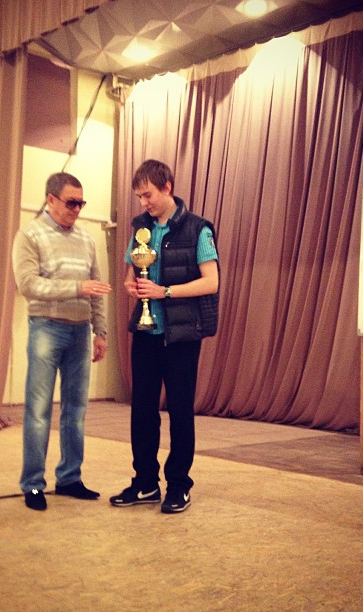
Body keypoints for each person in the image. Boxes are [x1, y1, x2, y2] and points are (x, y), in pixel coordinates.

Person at [110, 159, 220, 514]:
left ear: (167, 187)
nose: (144, 203)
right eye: (139, 197)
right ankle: (145, 483)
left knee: (180, 411)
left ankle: (178, 485)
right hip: (146, 332)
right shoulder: (139, 228)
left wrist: (165, 292)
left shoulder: (198, 229)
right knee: (142, 410)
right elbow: (131, 274)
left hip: (182, 335)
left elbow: (211, 282)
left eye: (148, 195)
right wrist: (131, 286)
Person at [12, 172, 112, 511]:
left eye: (81, 203)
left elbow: (96, 287)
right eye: (71, 203)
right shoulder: (30, 235)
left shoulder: (86, 239)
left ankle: (70, 478)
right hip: (46, 327)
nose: (77, 209)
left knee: (76, 410)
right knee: (39, 409)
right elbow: (28, 284)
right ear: (51, 199)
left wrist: (100, 331)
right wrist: (76, 288)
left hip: (80, 331)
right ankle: (33, 484)